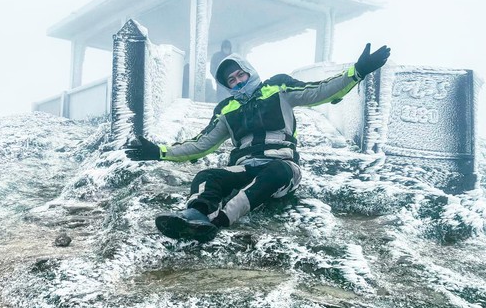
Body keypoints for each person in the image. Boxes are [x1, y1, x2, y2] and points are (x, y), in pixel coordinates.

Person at [125, 43, 391, 242]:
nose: (238, 81)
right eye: (231, 80)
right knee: (207, 175)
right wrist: (158, 152)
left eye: (240, 75)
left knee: (276, 172)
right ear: (227, 86)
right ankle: (194, 215)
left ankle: (218, 221)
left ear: (249, 72)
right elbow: (201, 144)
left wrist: (357, 72)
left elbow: (319, 90)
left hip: (283, 167)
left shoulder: (278, 88)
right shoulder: (226, 109)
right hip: (245, 168)